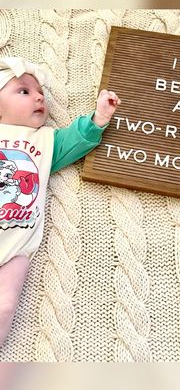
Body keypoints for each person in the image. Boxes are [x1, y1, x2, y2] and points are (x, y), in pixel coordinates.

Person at [0, 56, 121, 346]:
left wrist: (99, 119)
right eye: (24, 91)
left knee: (5, 304)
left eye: (40, 91)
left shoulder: (45, 141)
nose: (39, 96)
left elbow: (75, 141)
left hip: (17, 245)